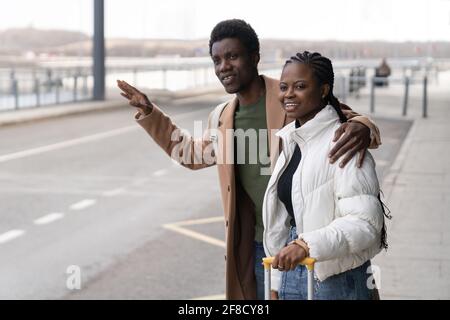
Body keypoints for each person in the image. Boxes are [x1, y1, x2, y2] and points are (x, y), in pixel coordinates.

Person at [117, 19, 382, 300]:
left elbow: (338, 119)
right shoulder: (223, 116)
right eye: (217, 60)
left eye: (232, 56)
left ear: (255, 57)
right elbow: (192, 155)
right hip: (258, 243)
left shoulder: (287, 94)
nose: (224, 67)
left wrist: (364, 126)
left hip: (311, 242)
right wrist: (151, 114)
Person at [263, 51, 387, 300]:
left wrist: (306, 244)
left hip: (337, 278)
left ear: (323, 90)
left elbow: (365, 224)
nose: (288, 93)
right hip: (294, 271)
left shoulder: (344, 141)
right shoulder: (292, 140)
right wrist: (277, 282)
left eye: (300, 86)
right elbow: (284, 220)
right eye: (284, 86)